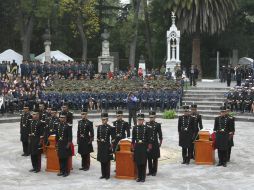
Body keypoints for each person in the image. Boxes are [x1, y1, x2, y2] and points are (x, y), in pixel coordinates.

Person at [132, 113, 151, 182]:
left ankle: (143, 177)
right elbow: (133, 139)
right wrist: (133, 147)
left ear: (143, 120)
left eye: (141, 120)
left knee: (143, 163)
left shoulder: (147, 128)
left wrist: (148, 148)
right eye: (138, 120)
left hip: (144, 147)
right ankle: (139, 177)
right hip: (137, 147)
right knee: (138, 163)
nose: (140, 121)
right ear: (137, 120)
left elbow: (149, 139)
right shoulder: (134, 128)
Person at [97, 113, 115, 180]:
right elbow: (98, 137)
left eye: (104, 119)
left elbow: (113, 139)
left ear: (107, 120)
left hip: (107, 146)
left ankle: (107, 175)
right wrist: (98, 145)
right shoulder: (99, 127)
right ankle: (103, 174)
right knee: (102, 161)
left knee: (107, 161)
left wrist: (111, 146)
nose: (103, 121)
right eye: (102, 119)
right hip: (101, 146)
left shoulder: (110, 128)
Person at [56, 112, 73, 177]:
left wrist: (68, 145)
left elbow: (70, 137)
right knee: (60, 158)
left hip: (65, 145)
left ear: (65, 118)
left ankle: (66, 171)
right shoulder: (58, 125)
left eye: (63, 118)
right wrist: (56, 144)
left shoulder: (68, 126)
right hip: (60, 144)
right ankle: (61, 171)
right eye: (60, 117)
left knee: (65, 159)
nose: (61, 119)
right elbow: (57, 136)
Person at [146, 111, 162, 176]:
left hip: (155, 142)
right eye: (150, 117)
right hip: (149, 143)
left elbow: (160, 134)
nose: (151, 118)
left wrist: (160, 142)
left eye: (152, 117)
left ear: (155, 117)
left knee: (155, 158)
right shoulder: (146, 124)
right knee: (149, 158)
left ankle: (154, 171)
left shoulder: (157, 125)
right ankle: (150, 171)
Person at [28, 108, 43, 173]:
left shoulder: (40, 123)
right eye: (33, 114)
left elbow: (42, 134)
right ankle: (34, 167)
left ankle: (37, 168)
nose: (33, 115)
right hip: (32, 140)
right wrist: (29, 139)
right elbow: (29, 132)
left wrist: (40, 142)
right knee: (32, 154)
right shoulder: (31, 122)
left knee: (37, 155)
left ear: (38, 115)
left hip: (37, 140)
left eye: (35, 114)